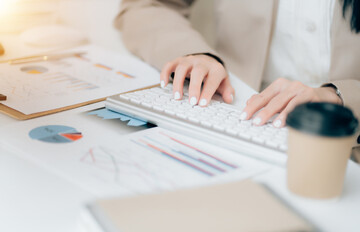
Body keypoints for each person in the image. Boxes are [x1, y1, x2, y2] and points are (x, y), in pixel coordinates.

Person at [115, 0, 360, 158]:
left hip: (348, 148)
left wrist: (339, 98)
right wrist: (196, 53)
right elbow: (147, 5)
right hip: (233, 120)